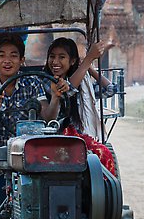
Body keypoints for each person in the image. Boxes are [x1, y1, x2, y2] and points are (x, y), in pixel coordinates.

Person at [0, 32, 67, 219]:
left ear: (21, 60)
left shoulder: (32, 83)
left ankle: (55, 216)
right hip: (0, 144)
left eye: (14, 55)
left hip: (30, 143)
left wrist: (55, 98)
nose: (8, 60)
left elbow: (47, 117)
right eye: (2, 55)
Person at [42, 37, 116, 175]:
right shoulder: (46, 81)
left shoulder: (82, 84)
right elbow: (67, 90)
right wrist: (88, 59)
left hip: (78, 137)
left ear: (72, 61)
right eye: (52, 57)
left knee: (103, 155)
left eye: (61, 57)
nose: (55, 62)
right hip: (55, 136)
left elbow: (110, 90)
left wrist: (90, 69)